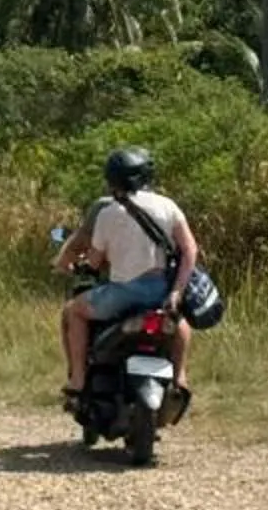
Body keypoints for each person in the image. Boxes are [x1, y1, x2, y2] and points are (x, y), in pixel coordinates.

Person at [53, 146, 201, 403]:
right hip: (160, 291)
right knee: (179, 320)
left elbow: (95, 261)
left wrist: (80, 265)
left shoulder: (109, 212)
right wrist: (176, 290)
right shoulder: (168, 206)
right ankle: (180, 377)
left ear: (112, 179)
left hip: (122, 293)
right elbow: (190, 250)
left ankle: (77, 378)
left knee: (73, 311)